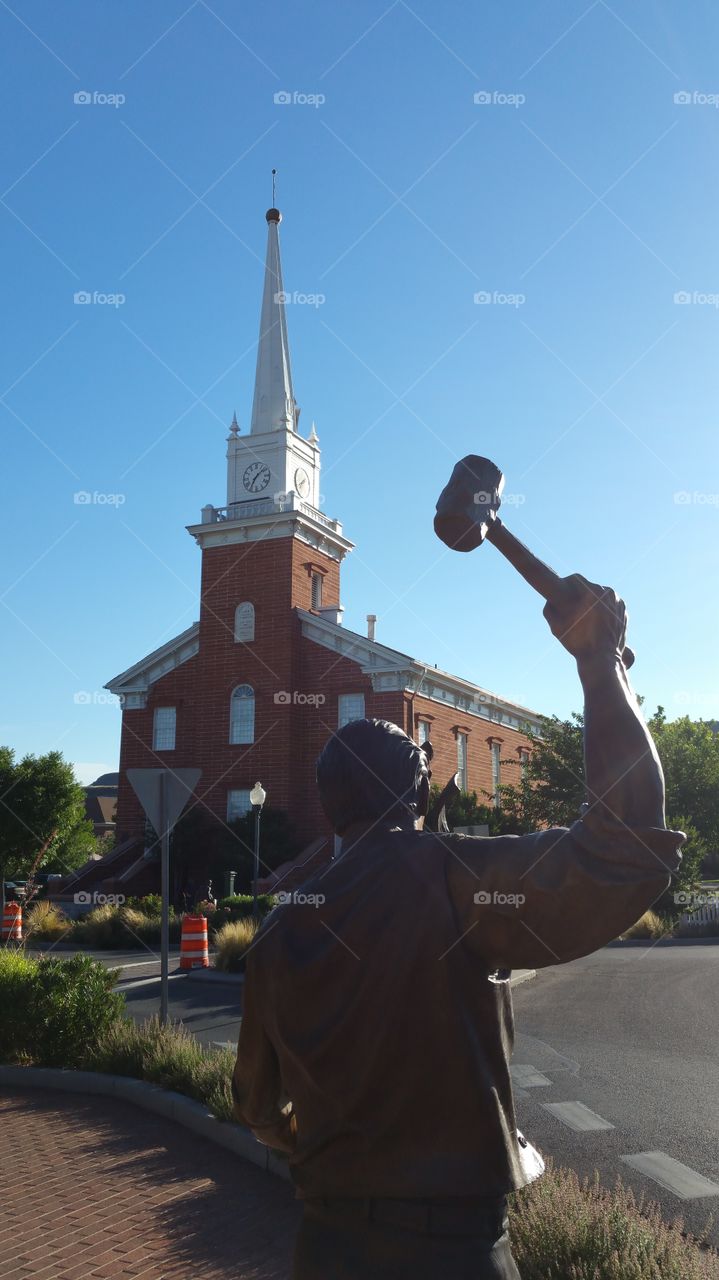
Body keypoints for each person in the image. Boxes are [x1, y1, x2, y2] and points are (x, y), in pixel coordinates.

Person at [232, 575, 684, 1279]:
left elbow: (257, 1108)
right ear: (417, 790)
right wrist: (599, 665)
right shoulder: (453, 878)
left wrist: (342, 1158)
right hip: (451, 1249)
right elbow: (624, 849)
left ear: (328, 808)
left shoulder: (277, 934)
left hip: (326, 1244)